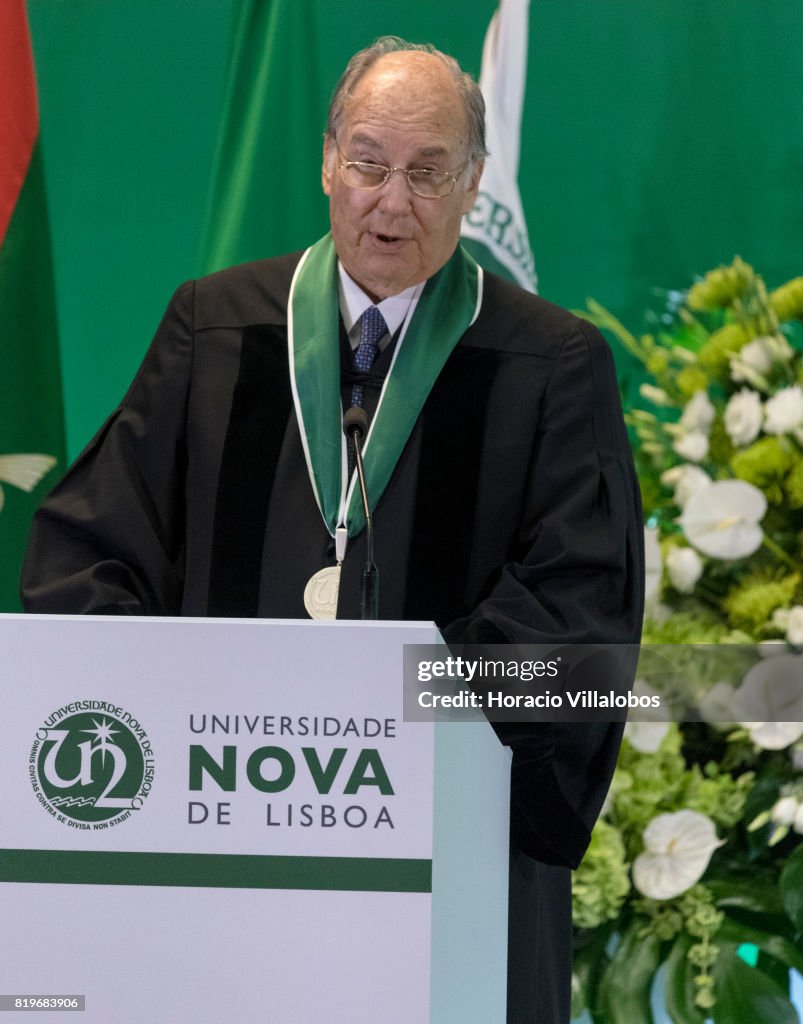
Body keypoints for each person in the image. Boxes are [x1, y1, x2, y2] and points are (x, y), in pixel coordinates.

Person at [22, 37, 643, 1023]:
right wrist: (190, 711)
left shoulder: (550, 364)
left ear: (473, 183)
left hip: (449, 858)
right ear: (326, 161)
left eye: (427, 172)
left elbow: (577, 611)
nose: (391, 202)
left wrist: (379, 714)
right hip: (222, 830)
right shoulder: (212, 330)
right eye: (367, 164)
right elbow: (89, 558)